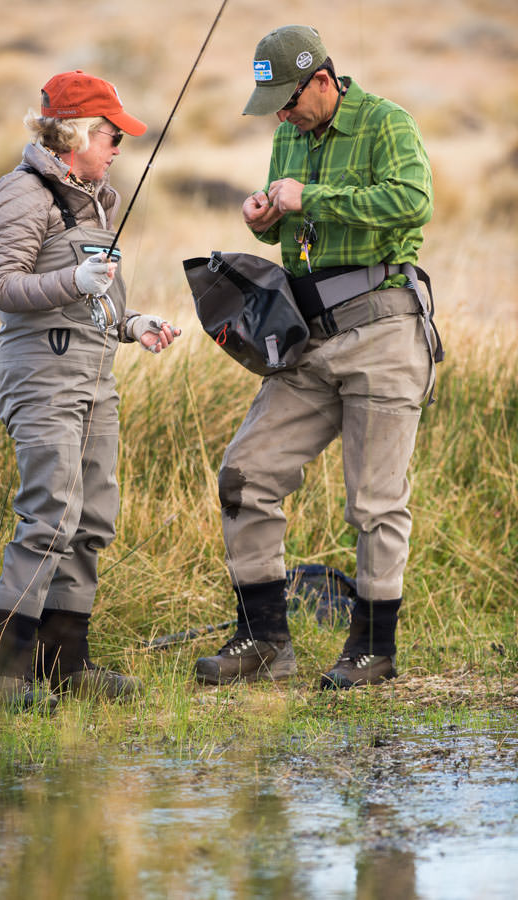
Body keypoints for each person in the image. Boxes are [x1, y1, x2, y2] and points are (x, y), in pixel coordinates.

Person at [195, 25, 440, 689]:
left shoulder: (387, 123)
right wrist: (264, 220)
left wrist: (314, 198)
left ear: (323, 81)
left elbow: (415, 201)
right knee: (246, 472)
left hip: (384, 332)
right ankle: (265, 642)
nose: (279, 114)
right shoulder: (287, 134)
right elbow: (294, 223)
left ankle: (373, 651)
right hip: (307, 338)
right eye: (272, 103)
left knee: (375, 502)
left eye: (286, 100)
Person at [0, 69, 180, 710]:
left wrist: (133, 323)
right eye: (111, 134)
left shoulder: (96, 199)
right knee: (48, 517)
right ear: (75, 133)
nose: (119, 147)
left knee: (91, 520)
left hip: (95, 378)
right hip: (40, 376)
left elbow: (94, 303)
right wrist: (76, 283)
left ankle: (67, 664)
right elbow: (4, 287)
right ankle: (4, 681)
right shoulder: (22, 194)